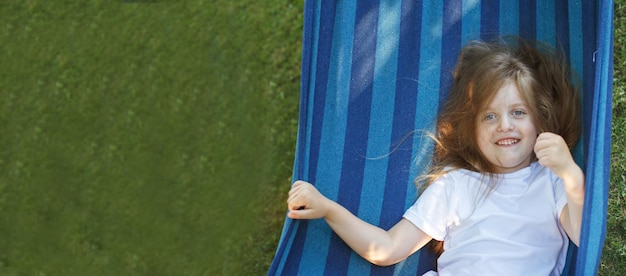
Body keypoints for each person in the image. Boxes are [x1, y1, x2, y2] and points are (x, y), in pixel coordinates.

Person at [286, 38, 584, 275]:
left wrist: (570, 174)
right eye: (489, 116)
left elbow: (583, 235)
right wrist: (328, 209)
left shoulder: (553, 181)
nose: (504, 125)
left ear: (539, 120)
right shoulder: (455, 186)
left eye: (518, 112)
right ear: (472, 131)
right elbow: (387, 248)